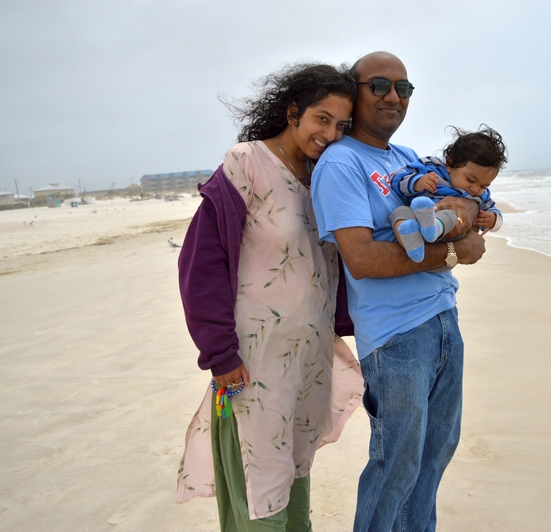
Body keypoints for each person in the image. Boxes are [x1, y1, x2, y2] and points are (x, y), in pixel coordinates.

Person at [176, 63, 362, 532]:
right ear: (293, 111)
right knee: (259, 480)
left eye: (342, 126)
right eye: (322, 118)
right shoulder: (247, 163)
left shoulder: (326, 177)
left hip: (309, 359)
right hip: (250, 361)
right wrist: (219, 354)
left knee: (295, 469)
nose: (331, 134)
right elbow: (201, 264)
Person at [311, 52, 486, 532]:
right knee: (397, 465)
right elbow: (363, 260)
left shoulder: (408, 158)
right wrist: (452, 252)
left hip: (444, 320)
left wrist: (466, 224)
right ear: (356, 91)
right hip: (395, 338)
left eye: (404, 89)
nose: (393, 97)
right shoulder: (340, 162)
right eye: (380, 86)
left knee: (434, 456)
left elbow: (465, 210)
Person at [389, 125, 508, 263]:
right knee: (399, 213)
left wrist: (494, 220)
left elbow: (493, 210)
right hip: (417, 214)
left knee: (450, 214)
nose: (475, 189)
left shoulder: (481, 195)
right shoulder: (430, 167)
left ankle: (434, 227)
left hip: (445, 230)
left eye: (484, 186)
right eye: (470, 180)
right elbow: (397, 179)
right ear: (450, 164)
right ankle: (413, 246)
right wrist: (417, 182)